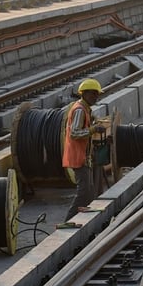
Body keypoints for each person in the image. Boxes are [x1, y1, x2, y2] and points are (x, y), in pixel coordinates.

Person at [60, 78, 103, 226]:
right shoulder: (79, 110)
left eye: (97, 94)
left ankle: (83, 217)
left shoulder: (84, 109)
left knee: (89, 190)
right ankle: (68, 221)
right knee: (84, 191)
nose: (96, 97)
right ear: (84, 94)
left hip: (83, 156)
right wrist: (93, 129)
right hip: (77, 156)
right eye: (93, 94)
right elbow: (75, 133)